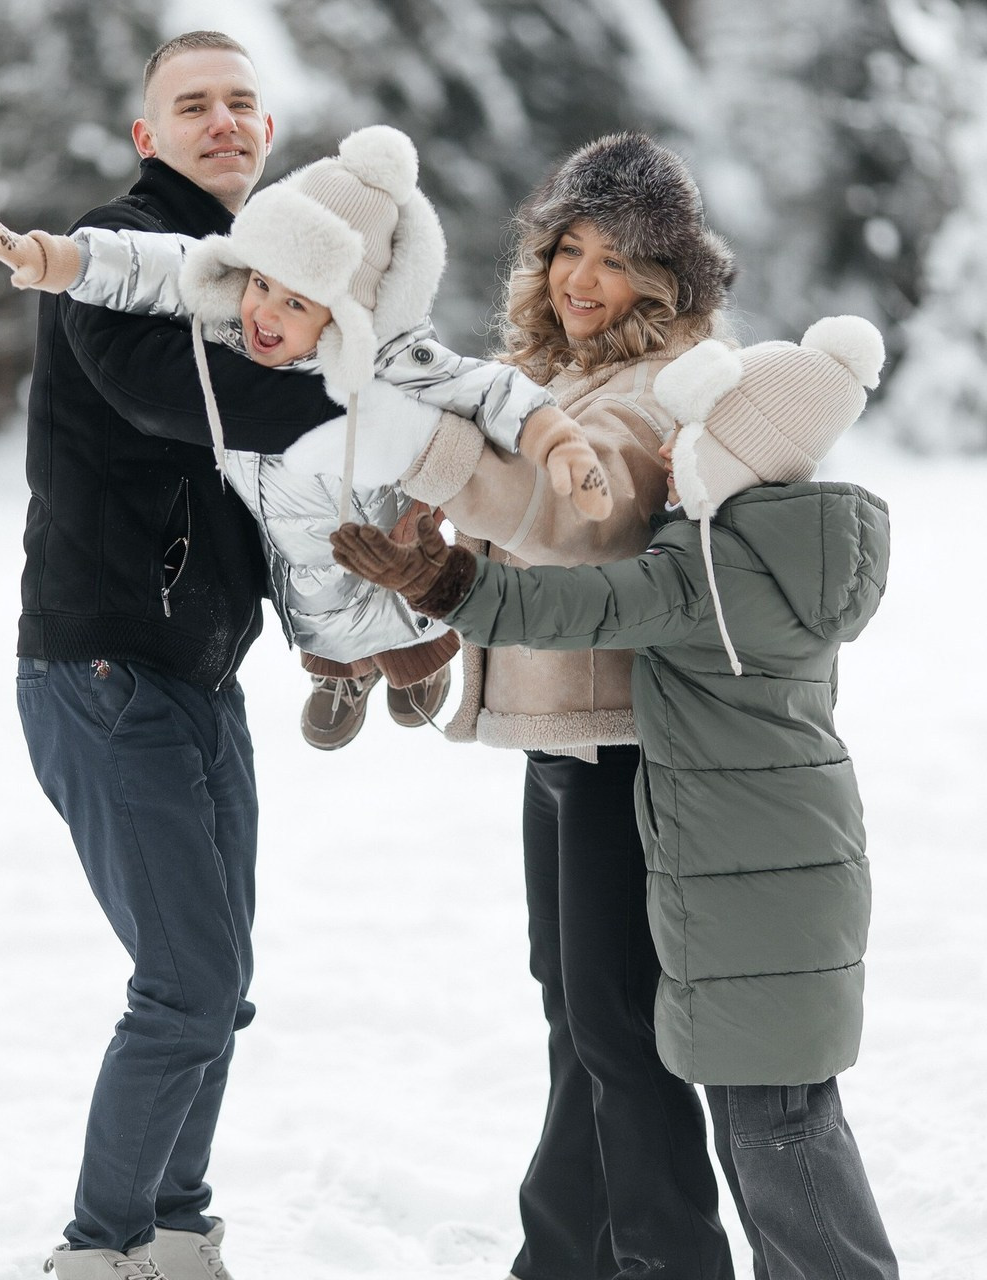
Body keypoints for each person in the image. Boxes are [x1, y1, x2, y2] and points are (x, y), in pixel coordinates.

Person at [330, 314, 899, 1280]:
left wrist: (449, 582)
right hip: (783, 871)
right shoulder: (793, 546)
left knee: (773, 1131)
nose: (669, 454)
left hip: (744, 878)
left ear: (739, 453)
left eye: (692, 437)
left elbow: (575, 607)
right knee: (779, 1116)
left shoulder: (711, 570)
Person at [295, 131, 738, 1278]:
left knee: (618, 1029)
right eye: (566, 250)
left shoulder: (663, 383)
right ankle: (565, 1257)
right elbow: (514, 513)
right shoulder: (552, 374)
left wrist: (438, 456)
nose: (580, 280)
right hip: (558, 735)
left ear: (667, 279)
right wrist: (429, 530)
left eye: (614, 260)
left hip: (626, 740)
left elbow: (579, 517)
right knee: (575, 1014)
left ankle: (666, 1259)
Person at [9, 30, 349, 1280]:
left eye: (242, 104)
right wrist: (379, 397)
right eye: (192, 105)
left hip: (201, 673)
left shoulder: (253, 278)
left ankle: (173, 1224)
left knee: (221, 978)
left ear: (268, 133)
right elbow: (196, 403)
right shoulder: (117, 258)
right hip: (99, 662)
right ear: (148, 136)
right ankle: (94, 1248)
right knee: (188, 981)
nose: (223, 121)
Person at [0, 126, 611, 751]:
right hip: (295, 554)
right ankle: (341, 678)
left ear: (344, 316)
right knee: (318, 611)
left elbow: (488, 388)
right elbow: (160, 266)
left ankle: (419, 658)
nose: (265, 314)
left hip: (380, 546)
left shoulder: (392, 360)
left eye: (296, 304)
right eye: (261, 285)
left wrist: (558, 440)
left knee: (392, 614)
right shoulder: (236, 317)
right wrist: (62, 261)